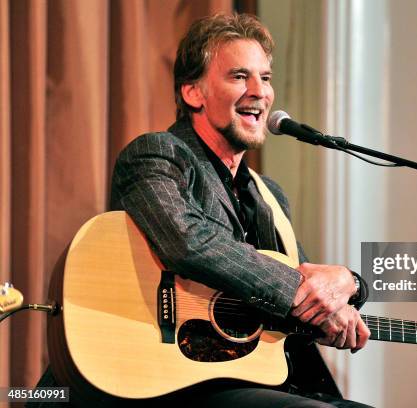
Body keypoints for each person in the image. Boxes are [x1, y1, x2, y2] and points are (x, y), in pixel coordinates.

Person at [108, 13, 372, 407]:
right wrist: (302, 290)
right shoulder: (158, 154)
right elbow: (188, 242)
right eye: (238, 76)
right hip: (163, 376)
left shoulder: (270, 197)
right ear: (193, 93)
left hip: (240, 377)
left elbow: (309, 281)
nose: (259, 91)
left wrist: (351, 284)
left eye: (265, 78)